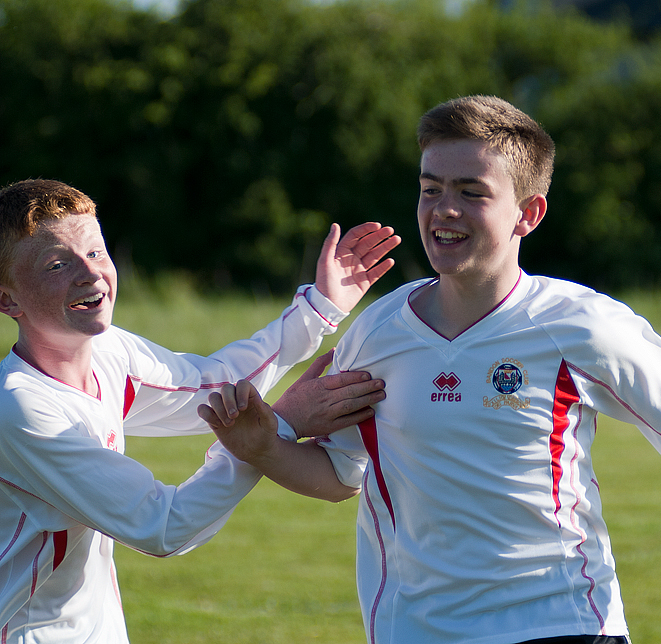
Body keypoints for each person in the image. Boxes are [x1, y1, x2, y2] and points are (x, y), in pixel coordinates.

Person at [200, 96, 661, 644]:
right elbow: (341, 475)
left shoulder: (582, 325)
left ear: (528, 214)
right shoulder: (378, 333)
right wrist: (264, 448)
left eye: (472, 193)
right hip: (414, 629)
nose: (444, 209)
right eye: (430, 190)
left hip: (560, 622)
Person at [0, 178, 400, 643]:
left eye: (95, 253)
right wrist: (276, 430)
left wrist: (319, 308)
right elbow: (164, 527)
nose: (88, 275)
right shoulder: (22, 409)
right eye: (55, 264)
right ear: (7, 299)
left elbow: (212, 385)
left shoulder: (108, 351)